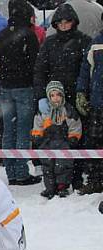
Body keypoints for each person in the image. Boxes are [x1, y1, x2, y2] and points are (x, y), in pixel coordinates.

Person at [33, 3, 91, 191]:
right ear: (55, 24)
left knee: (77, 136)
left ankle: (77, 176)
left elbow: (88, 69)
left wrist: (84, 93)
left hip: (76, 96)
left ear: (74, 22)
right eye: (60, 22)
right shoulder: (49, 43)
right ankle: (55, 178)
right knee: (55, 138)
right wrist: (42, 96)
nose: (64, 25)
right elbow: (40, 71)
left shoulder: (84, 41)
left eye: (67, 21)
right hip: (54, 97)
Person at [0, 0, 41, 186]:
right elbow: (35, 63)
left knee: (8, 131)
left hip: (6, 87)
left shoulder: (1, 35)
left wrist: (2, 80)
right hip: (24, 87)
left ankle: (11, 172)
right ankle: (21, 173)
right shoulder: (28, 35)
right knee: (22, 130)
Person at [31, 81, 83, 198]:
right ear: (48, 96)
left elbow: (75, 125)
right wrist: (37, 135)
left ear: (62, 95)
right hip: (47, 142)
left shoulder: (68, 110)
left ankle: (62, 186)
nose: (55, 98)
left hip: (63, 142)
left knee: (63, 165)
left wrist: (74, 137)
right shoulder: (43, 111)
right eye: (52, 95)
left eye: (58, 95)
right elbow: (37, 124)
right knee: (47, 166)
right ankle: (50, 187)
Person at [75, 24, 103, 195]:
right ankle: (95, 180)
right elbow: (85, 70)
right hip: (97, 102)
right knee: (95, 143)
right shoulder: (96, 43)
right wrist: (81, 91)